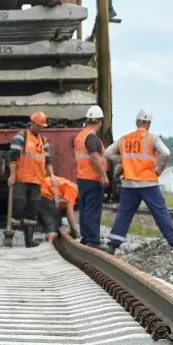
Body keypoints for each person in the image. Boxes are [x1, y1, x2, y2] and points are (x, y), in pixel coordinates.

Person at [104, 109, 173, 252]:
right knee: (160, 212)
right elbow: (166, 153)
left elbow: (108, 153)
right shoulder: (152, 138)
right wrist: (159, 169)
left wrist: (122, 161)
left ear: (137, 122)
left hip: (129, 183)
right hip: (148, 183)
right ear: (149, 124)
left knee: (124, 214)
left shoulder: (124, 138)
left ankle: (112, 245)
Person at [8, 112, 59, 248]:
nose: (41, 128)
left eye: (43, 126)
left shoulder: (43, 141)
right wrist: (12, 175)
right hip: (22, 179)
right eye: (40, 125)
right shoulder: (21, 136)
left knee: (33, 210)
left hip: (36, 181)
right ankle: (9, 236)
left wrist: (52, 174)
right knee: (18, 208)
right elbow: (13, 156)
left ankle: (29, 241)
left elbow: (47, 160)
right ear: (33, 123)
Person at [75, 105, 108, 248]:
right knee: (92, 210)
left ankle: (86, 237)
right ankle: (92, 240)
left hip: (82, 177)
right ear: (99, 121)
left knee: (84, 209)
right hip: (92, 178)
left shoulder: (80, 135)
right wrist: (104, 176)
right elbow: (94, 157)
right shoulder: (91, 137)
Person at [40, 175, 79, 242]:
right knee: (54, 216)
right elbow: (69, 212)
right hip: (43, 191)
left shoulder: (72, 188)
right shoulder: (73, 190)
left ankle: (51, 233)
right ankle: (51, 237)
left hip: (42, 189)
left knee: (56, 214)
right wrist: (73, 230)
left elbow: (65, 209)